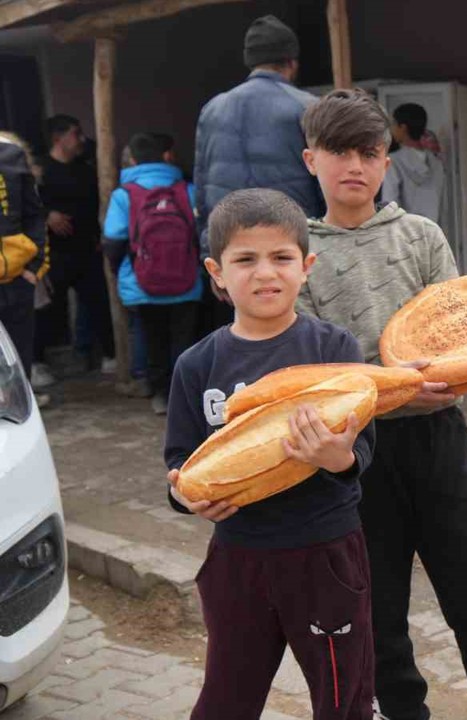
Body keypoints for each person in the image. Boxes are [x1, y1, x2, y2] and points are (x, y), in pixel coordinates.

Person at [295, 89, 467, 720]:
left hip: (437, 437)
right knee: (379, 610)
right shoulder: (301, 256)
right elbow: (315, 372)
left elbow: (462, 334)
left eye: (369, 152)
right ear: (310, 159)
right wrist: (388, 384)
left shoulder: (422, 237)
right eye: (339, 152)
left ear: (387, 160)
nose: (355, 165)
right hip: (356, 451)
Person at [163, 188, 377, 718]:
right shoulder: (196, 364)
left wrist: (338, 460)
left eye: (281, 258)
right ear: (216, 271)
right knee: (226, 699)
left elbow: (363, 454)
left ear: (306, 267)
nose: (266, 274)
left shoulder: (334, 351)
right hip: (237, 557)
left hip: (325, 554)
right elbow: (181, 464)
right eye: (245, 260)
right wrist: (187, 500)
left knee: (343, 694)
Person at [194, 14, 324, 329]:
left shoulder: (212, 109)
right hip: (292, 254)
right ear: (291, 62)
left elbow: (202, 191)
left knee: (249, 345)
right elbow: (326, 186)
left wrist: (212, 257)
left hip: (237, 256)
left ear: (250, 61)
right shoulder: (307, 107)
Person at [104, 132, 203, 414]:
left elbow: (113, 240)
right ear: (167, 157)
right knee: (184, 341)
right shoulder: (187, 190)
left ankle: (160, 393)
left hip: (142, 283)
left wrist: (121, 271)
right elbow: (201, 233)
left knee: (152, 339)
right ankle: (185, 396)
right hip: (186, 281)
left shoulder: (124, 195)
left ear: (132, 160)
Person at [34, 114, 116, 383]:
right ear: (58, 138)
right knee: (46, 310)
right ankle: (37, 363)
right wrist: (48, 216)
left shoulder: (85, 170)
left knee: (99, 304)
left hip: (87, 251)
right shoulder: (40, 170)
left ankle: (110, 356)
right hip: (52, 254)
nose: (81, 140)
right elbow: (25, 207)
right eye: (75, 134)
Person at [0, 131, 48, 389]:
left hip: (17, 279)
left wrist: (33, 267)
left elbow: (34, 215)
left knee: (18, 364)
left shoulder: (10, 153)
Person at [383, 103, 448, 224]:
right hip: (432, 234)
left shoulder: (394, 161)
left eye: (393, 124)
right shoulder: (436, 163)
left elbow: (390, 206)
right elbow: (441, 204)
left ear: (403, 127)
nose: (391, 129)